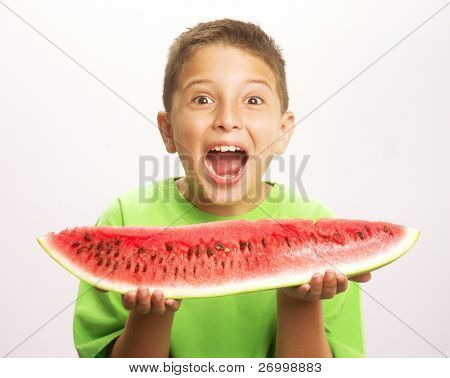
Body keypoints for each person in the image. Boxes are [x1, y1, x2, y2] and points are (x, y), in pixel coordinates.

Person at [73, 18, 371, 358]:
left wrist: (298, 301)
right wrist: (149, 316)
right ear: (168, 130)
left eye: (253, 100)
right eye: (202, 99)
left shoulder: (318, 226)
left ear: (283, 130)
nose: (227, 119)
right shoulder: (124, 219)